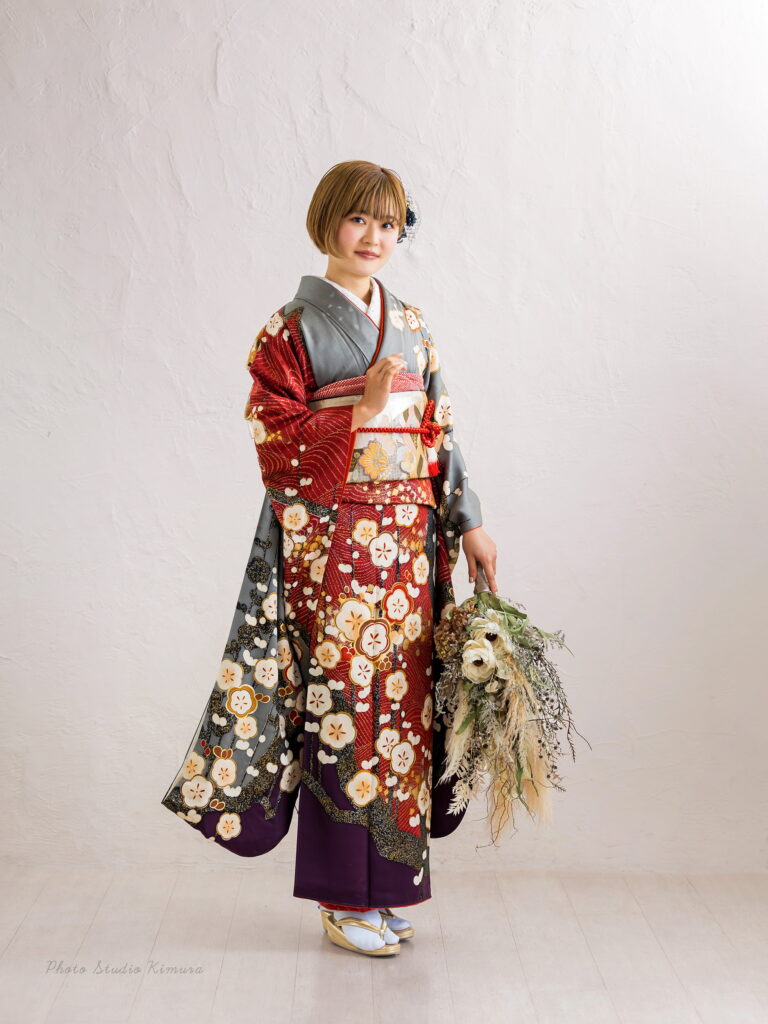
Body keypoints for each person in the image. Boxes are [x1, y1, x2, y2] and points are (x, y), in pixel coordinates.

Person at [161, 159, 498, 957]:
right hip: (334, 546)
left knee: (405, 710)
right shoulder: (289, 329)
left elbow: (437, 430)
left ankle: (390, 889)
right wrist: (361, 413)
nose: (374, 237)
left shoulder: (410, 322)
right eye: (359, 219)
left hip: (409, 545)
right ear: (327, 222)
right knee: (346, 709)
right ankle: (344, 898)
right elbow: (275, 441)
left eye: (389, 223)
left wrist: (468, 522)